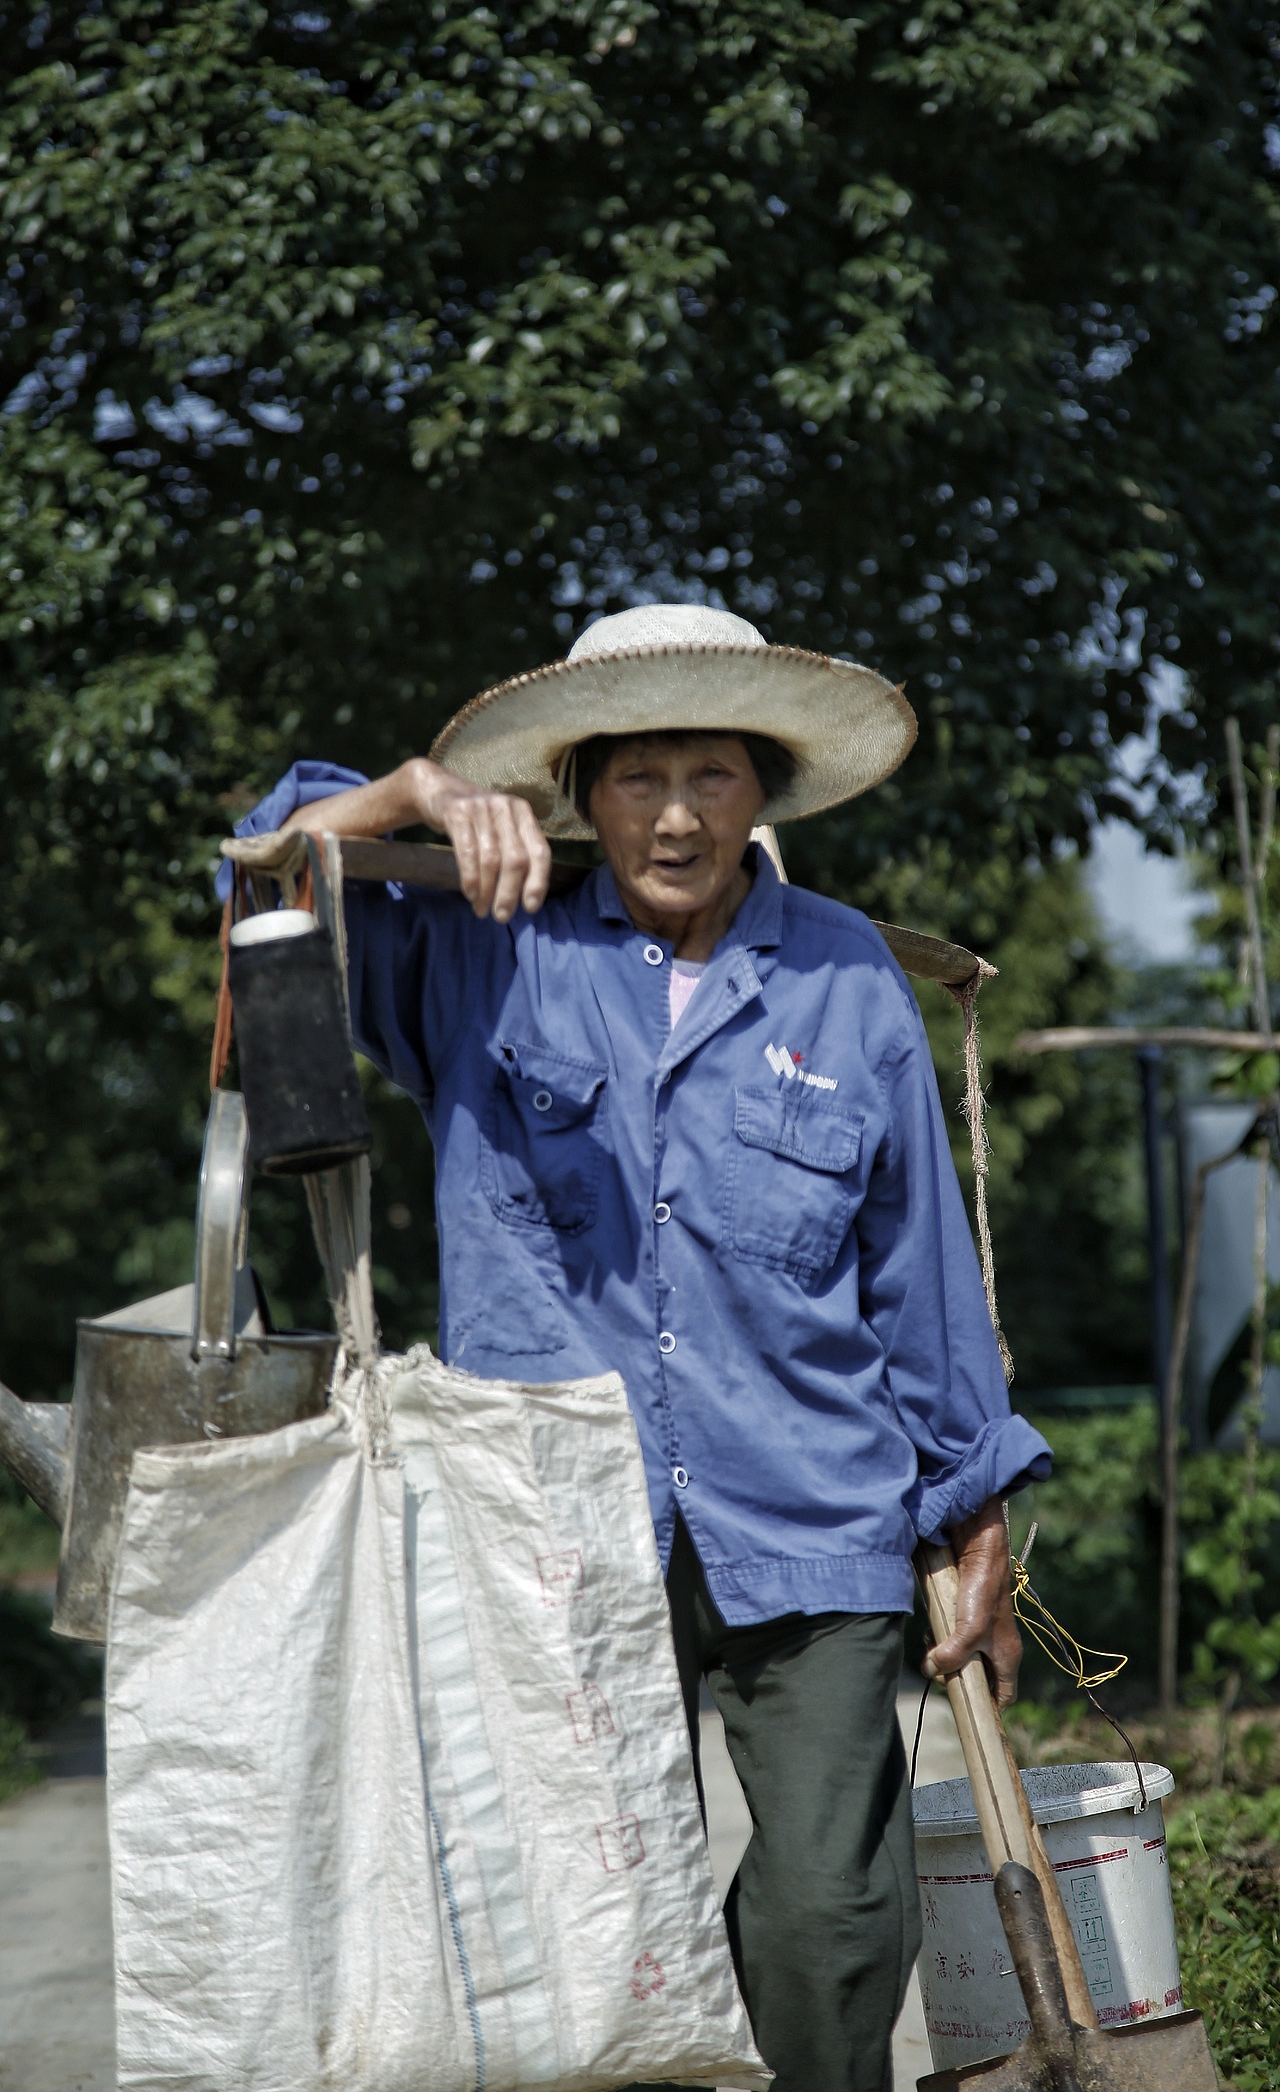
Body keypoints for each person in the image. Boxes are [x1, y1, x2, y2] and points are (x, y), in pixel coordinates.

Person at [227, 603, 1051, 2092]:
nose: (677, 818)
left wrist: (981, 1523)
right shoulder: (481, 943)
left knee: (833, 1922)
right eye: (638, 778)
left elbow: (921, 1277)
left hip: (813, 1514)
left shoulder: (848, 980)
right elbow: (264, 869)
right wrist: (413, 790)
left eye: (712, 775)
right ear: (580, 794)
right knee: (591, 1942)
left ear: (764, 789)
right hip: (557, 1535)